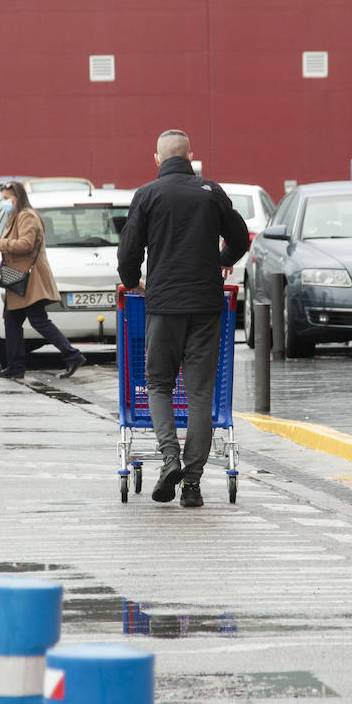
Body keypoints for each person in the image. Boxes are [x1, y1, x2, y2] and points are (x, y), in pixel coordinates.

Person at [117, 129, 249, 508]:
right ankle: (192, 484)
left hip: (162, 306)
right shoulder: (211, 192)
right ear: (191, 155)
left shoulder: (147, 195)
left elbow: (128, 253)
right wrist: (223, 262)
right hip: (207, 306)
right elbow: (240, 238)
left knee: (158, 384)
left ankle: (169, 457)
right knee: (200, 393)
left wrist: (133, 283)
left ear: (156, 159)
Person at [0, 181, 84, 379]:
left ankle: (71, 355)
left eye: (7, 198)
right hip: (19, 279)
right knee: (13, 321)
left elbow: (26, 244)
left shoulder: (27, 216)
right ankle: (16, 367)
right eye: (2, 198)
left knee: (37, 320)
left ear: (18, 198)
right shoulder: (15, 216)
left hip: (30, 280)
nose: (4, 202)